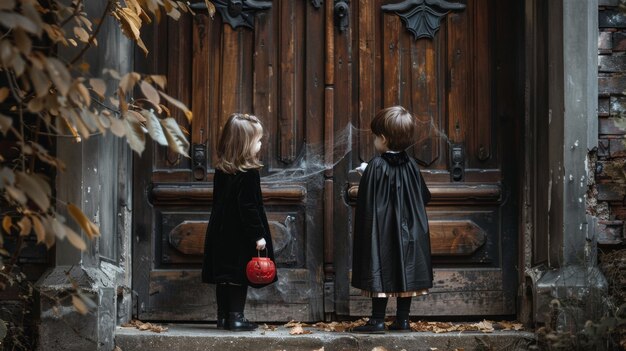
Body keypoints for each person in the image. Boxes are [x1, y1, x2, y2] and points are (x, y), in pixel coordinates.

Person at [351, 106, 433, 333]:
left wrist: (365, 173)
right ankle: (403, 320)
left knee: (381, 267)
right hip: (409, 232)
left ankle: (377, 320)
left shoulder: (376, 165)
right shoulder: (412, 165)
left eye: (376, 136)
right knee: (405, 270)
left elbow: (369, 200)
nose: (375, 140)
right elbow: (424, 196)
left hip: (383, 232)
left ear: (384, 139)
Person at [201, 113, 277, 331]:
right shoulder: (249, 174)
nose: (261, 144)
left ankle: (223, 317)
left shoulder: (221, 170)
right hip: (240, 235)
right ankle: (236, 318)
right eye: (258, 140)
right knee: (238, 277)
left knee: (224, 277)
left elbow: (219, 204)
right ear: (244, 145)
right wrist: (258, 236)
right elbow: (248, 207)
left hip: (220, 232)